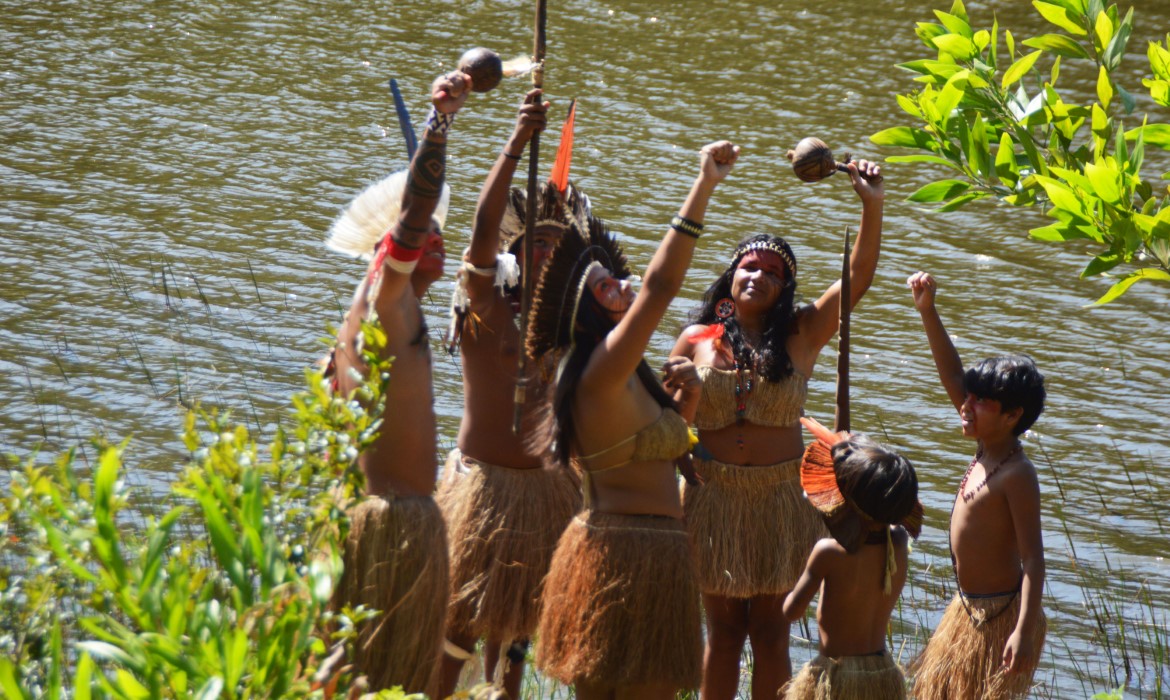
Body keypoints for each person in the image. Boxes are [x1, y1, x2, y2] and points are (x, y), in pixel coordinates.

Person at [526, 140, 739, 700]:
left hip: (648, 548)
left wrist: (685, 401)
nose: (622, 286)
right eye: (605, 286)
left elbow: (664, 450)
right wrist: (704, 186)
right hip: (625, 550)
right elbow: (660, 286)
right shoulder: (600, 365)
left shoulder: (620, 373)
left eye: (617, 280)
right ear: (588, 310)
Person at [667, 158, 884, 698]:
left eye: (771, 271)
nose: (757, 275)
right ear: (730, 275)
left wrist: (871, 206)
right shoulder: (696, 338)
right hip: (710, 493)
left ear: (784, 288)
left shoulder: (801, 334)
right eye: (749, 266)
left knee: (769, 632)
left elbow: (857, 280)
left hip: (781, 499)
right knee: (720, 633)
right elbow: (667, 423)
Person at [322, 70, 471, 696]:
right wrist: (440, 125)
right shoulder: (387, 296)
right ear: (388, 253)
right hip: (388, 525)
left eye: (441, 233)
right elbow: (412, 218)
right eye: (420, 238)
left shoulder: (394, 305)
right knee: (364, 675)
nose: (435, 240)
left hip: (390, 520)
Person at [436, 89, 583, 699]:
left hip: (547, 493)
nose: (548, 254)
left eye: (559, 246)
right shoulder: (488, 309)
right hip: (482, 489)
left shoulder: (572, 325)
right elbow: (477, 234)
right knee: (458, 633)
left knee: (520, 637)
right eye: (537, 245)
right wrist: (518, 142)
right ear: (517, 251)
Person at [906, 271, 1047, 700]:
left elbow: (1034, 559)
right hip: (967, 610)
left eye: (980, 401)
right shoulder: (988, 442)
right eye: (969, 398)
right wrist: (928, 312)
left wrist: (1023, 629)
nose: (965, 406)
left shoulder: (1017, 473)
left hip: (1000, 617)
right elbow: (952, 375)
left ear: (1011, 416)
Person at [781, 419, 923, 700]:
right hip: (881, 672)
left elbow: (791, 611)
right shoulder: (897, 541)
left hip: (837, 675)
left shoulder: (828, 552)